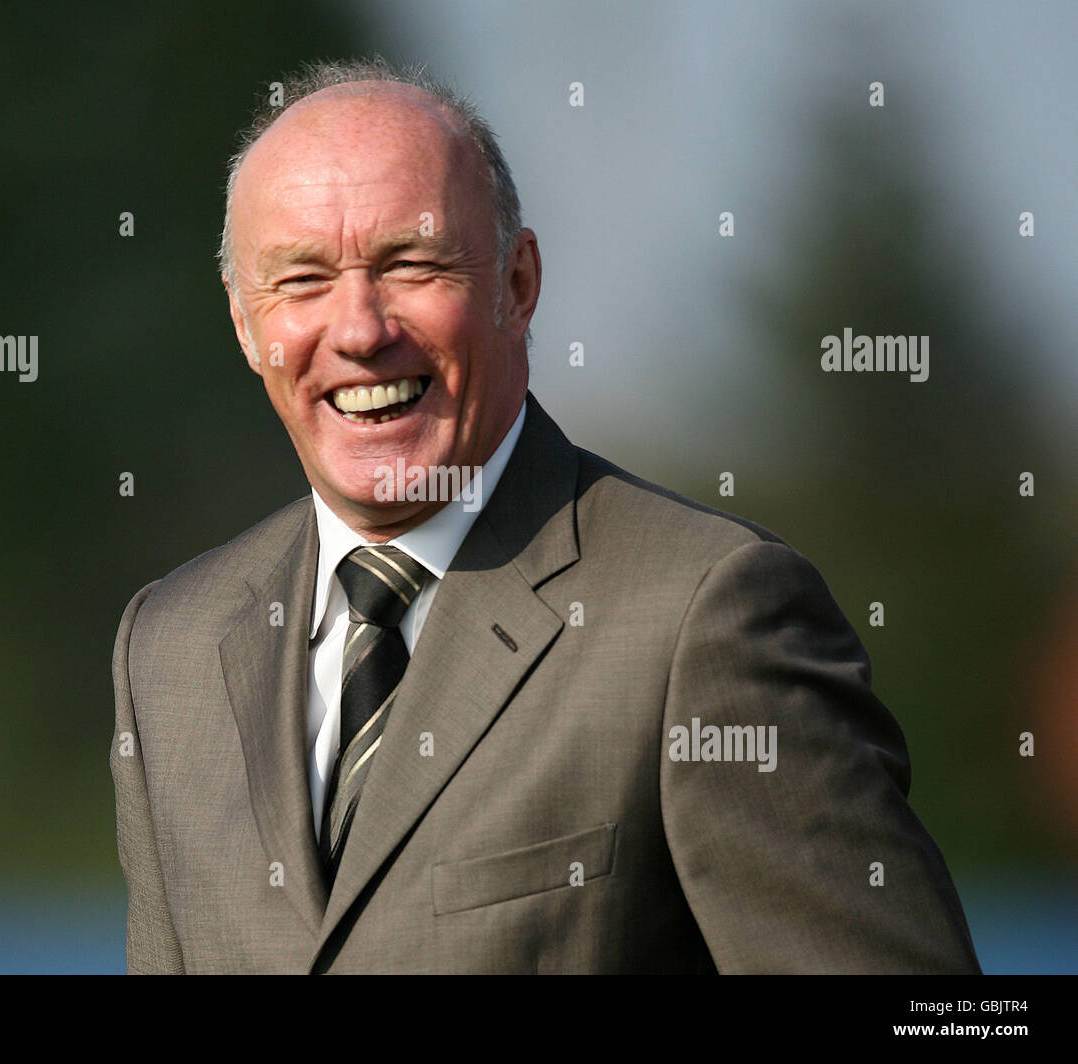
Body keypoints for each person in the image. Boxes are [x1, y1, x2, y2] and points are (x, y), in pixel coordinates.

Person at [110, 58, 981, 974]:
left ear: (518, 284)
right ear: (246, 322)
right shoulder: (170, 652)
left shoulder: (705, 619)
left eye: (412, 264)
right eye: (302, 280)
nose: (361, 329)